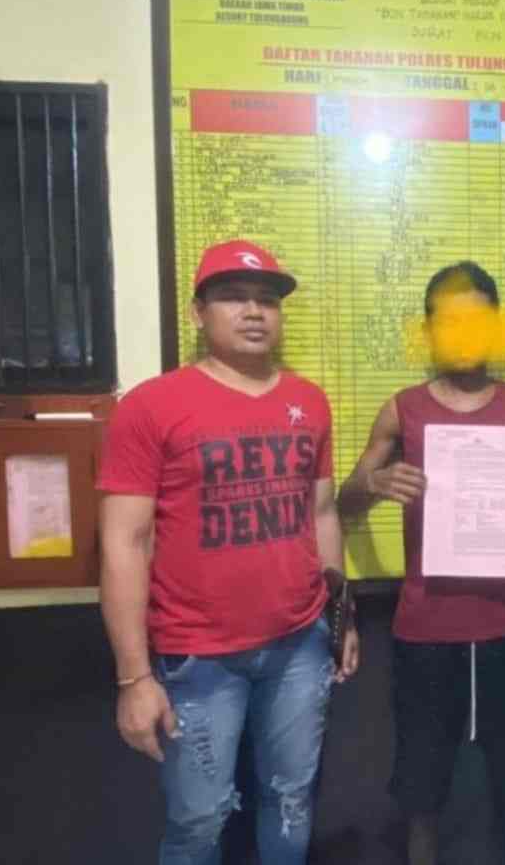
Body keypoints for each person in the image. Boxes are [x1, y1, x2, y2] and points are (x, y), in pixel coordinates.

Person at [98, 239, 360, 865]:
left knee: (292, 800)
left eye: (267, 300)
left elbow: (322, 513)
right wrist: (134, 678)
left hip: (300, 644)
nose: (253, 312)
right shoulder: (151, 406)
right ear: (198, 313)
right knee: (200, 818)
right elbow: (123, 543)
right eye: (234, 298)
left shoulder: (309, 401)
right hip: (198, 656)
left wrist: (341, 616)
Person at [337, 262, 505, 865]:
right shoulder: (402, 409)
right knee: (422, 774)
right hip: (426, 622)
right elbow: (344, 504)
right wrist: (375, 482)